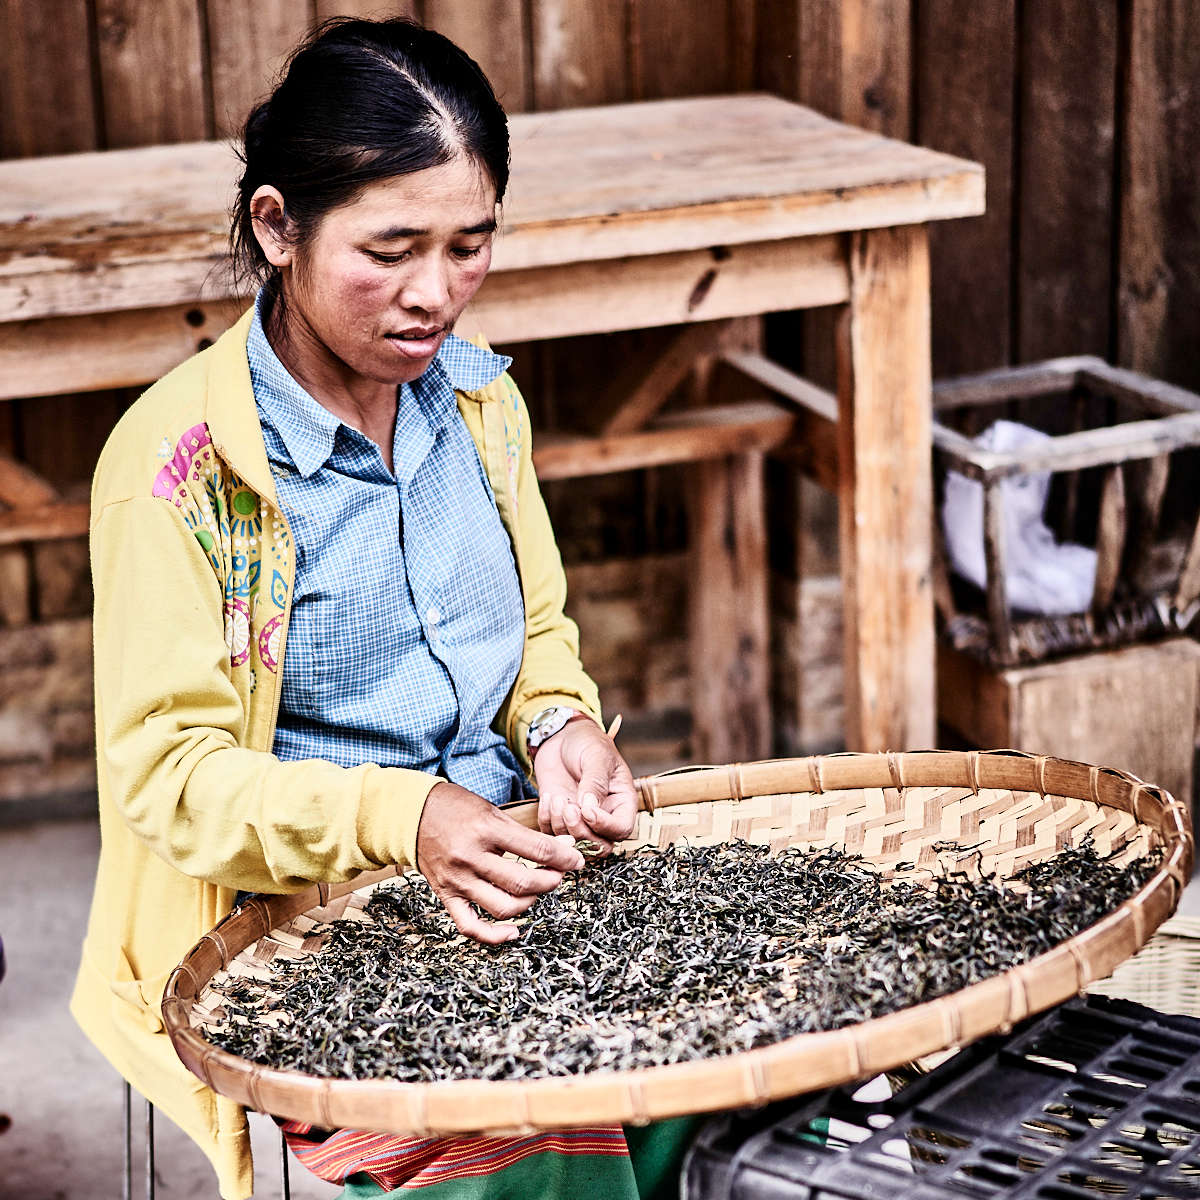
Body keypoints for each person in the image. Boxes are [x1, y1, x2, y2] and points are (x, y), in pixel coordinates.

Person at [71, 17, 696, 1200]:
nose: (435, 294)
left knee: (747, 1089)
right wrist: (406, 816)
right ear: (277, 226)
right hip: (304, 936)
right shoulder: (179, 471)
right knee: (547, 1171)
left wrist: (560, 729)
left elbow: (537, 640)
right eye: (392, 247)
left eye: (470, 245)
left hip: (510, 881)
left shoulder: (478, 406)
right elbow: (170, 777)